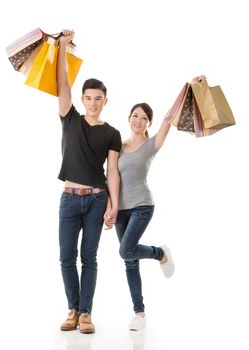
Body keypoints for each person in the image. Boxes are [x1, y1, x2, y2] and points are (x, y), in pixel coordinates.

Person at [107, 76, 203, 331]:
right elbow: (111, 176)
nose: (138, 120)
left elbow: (169, 119)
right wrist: (110, 206)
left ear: (148, 123)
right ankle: (139, 314)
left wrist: (188, 87)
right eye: (135, 116)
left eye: (144, 118)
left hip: (142, 206)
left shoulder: (152, 144)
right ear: (129, 117)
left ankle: (159, 253)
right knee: (129, 259)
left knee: (126, 251)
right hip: (121, 209)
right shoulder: (117, 145)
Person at [57, 30, 122, 334]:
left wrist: (113, 203)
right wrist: (61, 48)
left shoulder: (112, 133)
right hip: (69, 199)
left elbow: (113, 171)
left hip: (97, 200)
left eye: (98, 99)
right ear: (82, 99)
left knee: (89, 258)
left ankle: (86, 314)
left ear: (105, 101)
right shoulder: (70, 118)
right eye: (88, 98)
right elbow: (62, 85)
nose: (93, 103)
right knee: (67, 257)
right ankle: (72, 309)